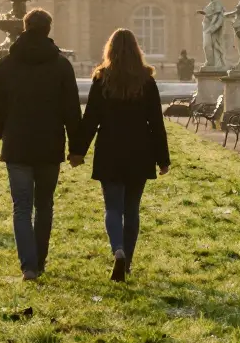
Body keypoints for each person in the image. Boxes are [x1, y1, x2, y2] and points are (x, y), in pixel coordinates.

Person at [0, 8, 81, 281]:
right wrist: (76, 148)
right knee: (45, 205)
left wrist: (6, 133)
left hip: (17, 145)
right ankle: (39, 261)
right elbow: (72, 111)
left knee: (22, 207)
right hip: (50, 146)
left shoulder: (6, 64)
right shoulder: (62, 65)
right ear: (49, 30)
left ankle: (28, 266)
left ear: (24, 29)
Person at [70, 29, 171, 283]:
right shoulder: (147, 81)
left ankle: (118, 250)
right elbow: (156, 122)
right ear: (137, 50)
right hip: (140, 149)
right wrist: (163, 159)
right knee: (132, 209)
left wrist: (78, 151)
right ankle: (127, 265)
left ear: (110, 50)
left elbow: (91, 118)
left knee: (113, 207)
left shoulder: (102, 78)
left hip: (110, 148)